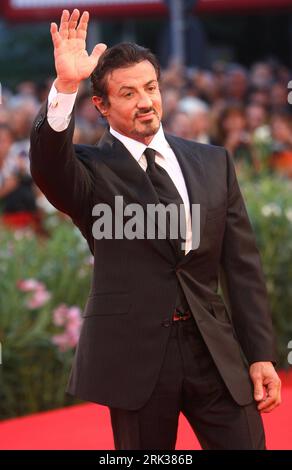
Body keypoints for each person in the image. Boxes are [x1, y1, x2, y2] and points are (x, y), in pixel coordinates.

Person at [29, 9, 281, 450]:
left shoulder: (212, 161)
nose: (145, 101)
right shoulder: (88, 171)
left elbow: (241, 266)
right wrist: (66, 87)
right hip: (136, 357)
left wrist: (260, 353)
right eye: (128, 93)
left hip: (213, 350)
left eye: (151, 88)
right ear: (102, 105)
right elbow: (48, 166)